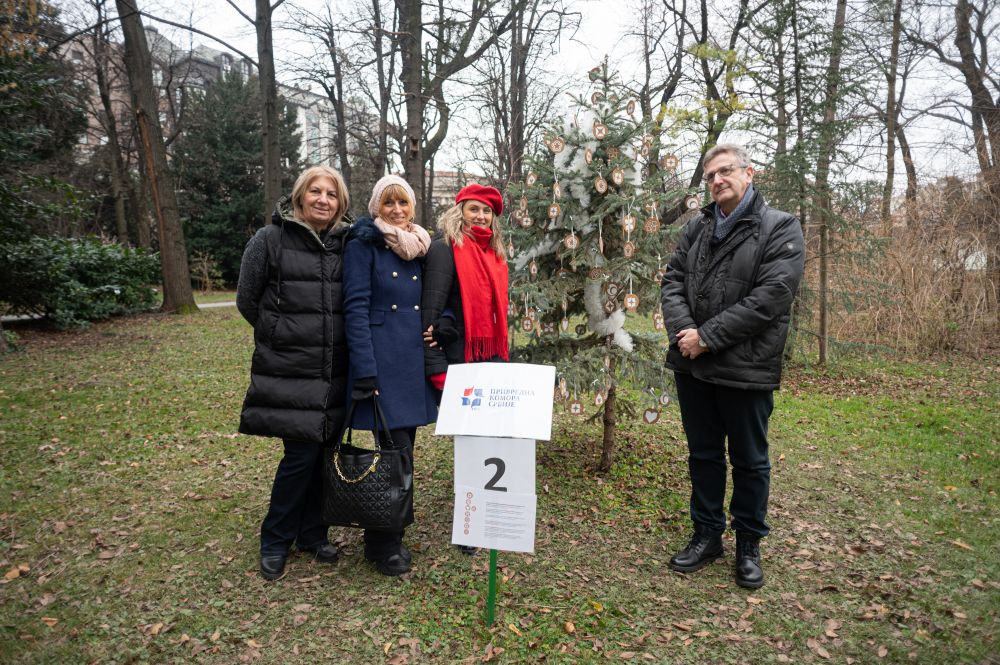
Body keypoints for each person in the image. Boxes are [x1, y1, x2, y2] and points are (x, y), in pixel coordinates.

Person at [660, 144, 805, 589]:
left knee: (750, 460)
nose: (717, 180)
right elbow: (672, 282)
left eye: (726, 171)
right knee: (703, 456)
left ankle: (748, 543)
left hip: (746, 368)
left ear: (749, 173)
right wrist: (687, 334)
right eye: (710, 175)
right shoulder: (698, 228)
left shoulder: (780, 227)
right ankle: (707, 535)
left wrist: (708, 337)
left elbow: (771, 298)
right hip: (693, 367)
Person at [236, 165, 351, 581]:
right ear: (300, 196)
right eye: (315, 191)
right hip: (292, 370)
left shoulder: (346, 243)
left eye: (332, 194)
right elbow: (247, 300)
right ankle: (276, 538)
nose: (323, 199)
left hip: (337, 370)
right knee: (299, 457)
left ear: (341, 203)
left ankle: (312, 532)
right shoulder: (270, 240)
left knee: (324, 455)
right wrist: (280, 334)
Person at [342, 174, 438, 576]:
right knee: (393, 455)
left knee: (403, 452)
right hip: (381, 366)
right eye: (389, 204)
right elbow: (356, 308)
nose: (397, 211)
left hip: (412, 363)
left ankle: (388, 530)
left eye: (403, 204)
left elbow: (435, 298)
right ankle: (383, 542)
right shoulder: (363, 244)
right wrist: (365, 369)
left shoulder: (421, 246)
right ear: (376, 208)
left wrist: (440, 326)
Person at [421, 184, 509, 555]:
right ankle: (469, 527)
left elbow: (497, 316)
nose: (481, 217)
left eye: (487, 212)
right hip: (458, 367)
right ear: (460, 211)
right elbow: (428, 318)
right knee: (469, 449)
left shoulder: (496, 255)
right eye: (474, 209)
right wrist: (438, 371)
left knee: (489, 445)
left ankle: (486, 515)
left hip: (490, 364)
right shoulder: (445, 250)